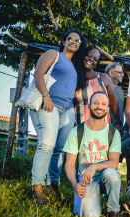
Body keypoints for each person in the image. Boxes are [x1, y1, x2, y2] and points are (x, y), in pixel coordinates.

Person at [30, 30, 87, 204]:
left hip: (67, 109)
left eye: (77, 41)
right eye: (70, 39)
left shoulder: (75, 65)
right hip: (48, 104)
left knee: (59, 150)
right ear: (63, 41)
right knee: (47, 145)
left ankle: (53, 186)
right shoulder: (53, 54)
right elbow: (38, 74)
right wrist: (46, 97)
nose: (73, 42)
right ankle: (37, 187)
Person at [64, 92, 122, 217]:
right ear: (89, 106)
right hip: (86, 180)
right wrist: (75, 184)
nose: (99, 107)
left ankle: (113, 211)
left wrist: (95, 166)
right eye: (95, 103)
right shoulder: (76, 132)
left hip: (104, 177)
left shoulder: (113, 132)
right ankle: (95, 199)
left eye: (103, 104)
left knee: (111, 173)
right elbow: (69, 163)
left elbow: (114, 163)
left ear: (107, 109)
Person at [74, 47, 122, 130]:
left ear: (96, 63)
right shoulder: (74, 77)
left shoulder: (103, 78)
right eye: (89, 56)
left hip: (102, 126)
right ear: (83, 56)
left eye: (95, 59)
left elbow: (113, 101)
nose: (91, 59)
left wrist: (119, 122)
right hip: (80, 125)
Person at [105, 62, 126, 126]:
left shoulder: (120, 90)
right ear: (111, 73)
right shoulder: (103, 89)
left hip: (118, 129)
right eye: (120, 72)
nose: (123, 75)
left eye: (122, 73)